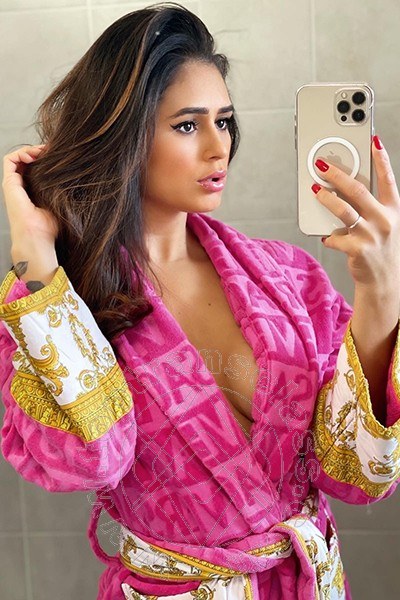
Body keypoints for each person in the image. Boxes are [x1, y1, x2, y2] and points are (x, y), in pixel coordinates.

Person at [1, 3, 400, 599]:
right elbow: (90, 461)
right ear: (123, 136)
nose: (220, 147)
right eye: (188, 126)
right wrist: (34, 255)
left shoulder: (288, 277)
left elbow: (358, 474)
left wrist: (381, 289)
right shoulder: (59, 306)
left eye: (225, 121)